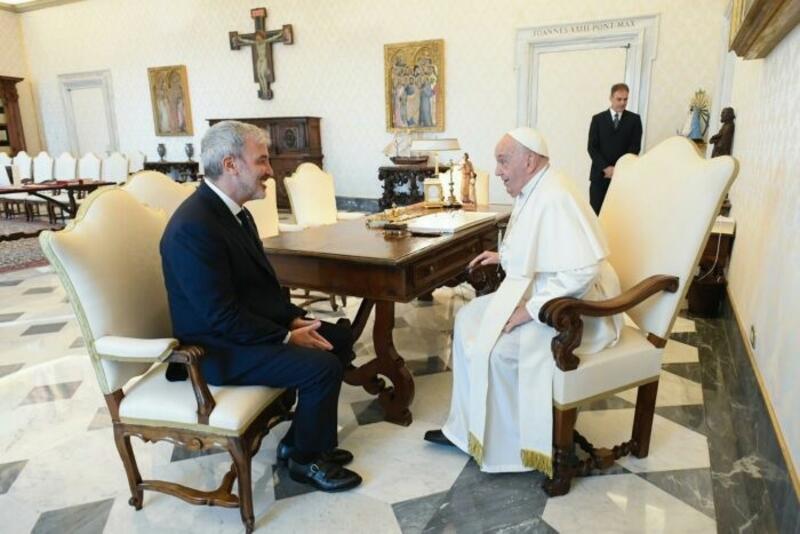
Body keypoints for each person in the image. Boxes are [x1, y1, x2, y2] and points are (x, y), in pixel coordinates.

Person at [160, 120, 361, 492]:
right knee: (321, 368)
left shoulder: (235, 212)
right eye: (262, 160)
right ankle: (306, 461)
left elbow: (259, 292)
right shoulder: (194, 226)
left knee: (339, 338)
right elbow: (221, 316)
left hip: (242, 330)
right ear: (230, 165)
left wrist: (294, 320)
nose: (270, 170)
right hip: (216, 350)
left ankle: (297, 443)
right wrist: (285, 337)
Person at [424, 127, 623, 475]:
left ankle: (513, 445)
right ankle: (467, 429)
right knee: (468, 318)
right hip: (545, 293)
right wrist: (504, 256)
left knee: (500, 351)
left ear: (529, 161)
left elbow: (583, 270)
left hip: (574, 309)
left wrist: (529, 312)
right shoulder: (535, 187)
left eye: (503, 162)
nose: (498, 171)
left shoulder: (555, 194)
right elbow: (542, 245)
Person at [587, 82, 642, 215]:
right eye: (619, 99)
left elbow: (635, 147)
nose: (623, 103)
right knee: (596, 215)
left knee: (620, 216)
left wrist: (618, 169)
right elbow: (592, 147)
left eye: (625, 99)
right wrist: (606, 168)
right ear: (611, 98)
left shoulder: (634, 120)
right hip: (599, 177)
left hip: (622, 177)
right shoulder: (597, 119)